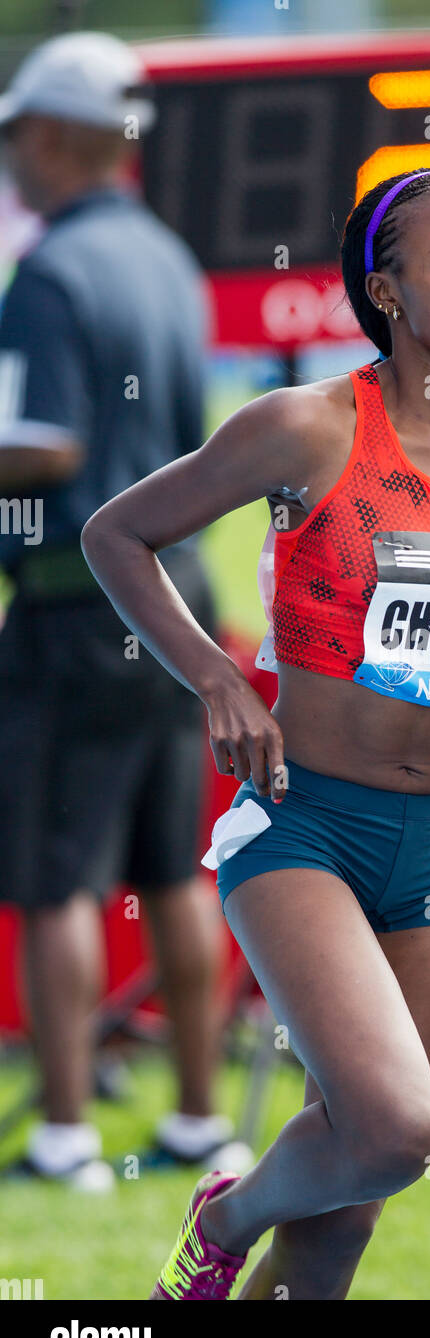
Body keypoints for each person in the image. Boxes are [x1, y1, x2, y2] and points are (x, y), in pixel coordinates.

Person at [81, 165, 430, 1300]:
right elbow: (116, 532)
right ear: (386, 291)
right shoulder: (304, 430)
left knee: (344, 1219)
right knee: (392, 1130)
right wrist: (215, 680)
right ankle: (225, 1214)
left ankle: (259, 1236)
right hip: (304, 829)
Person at [0, 32, 235, 1188]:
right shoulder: (168, 258)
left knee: (56, 880)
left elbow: (46, 447)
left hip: (74, 603)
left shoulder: (48, 271)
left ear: (50, 135)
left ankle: (63, 1137)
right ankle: (197, 1119)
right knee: (176, 868)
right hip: (178, 597)